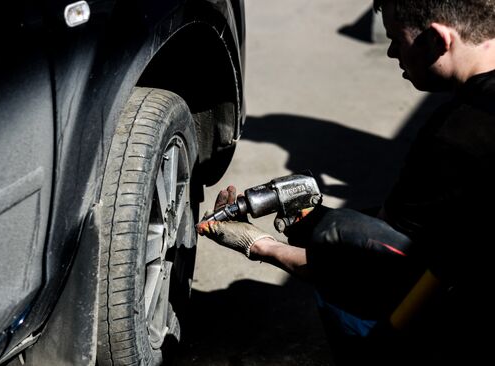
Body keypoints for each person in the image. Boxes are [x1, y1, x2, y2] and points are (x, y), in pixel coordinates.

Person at [197, 1, 495, 364]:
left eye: (397, 40)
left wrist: (260, 245)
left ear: (435, 40)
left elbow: (377, 264)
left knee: (342, 261)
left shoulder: (455, 138)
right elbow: (412, 227)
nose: (390, 52)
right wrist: (313, 220)